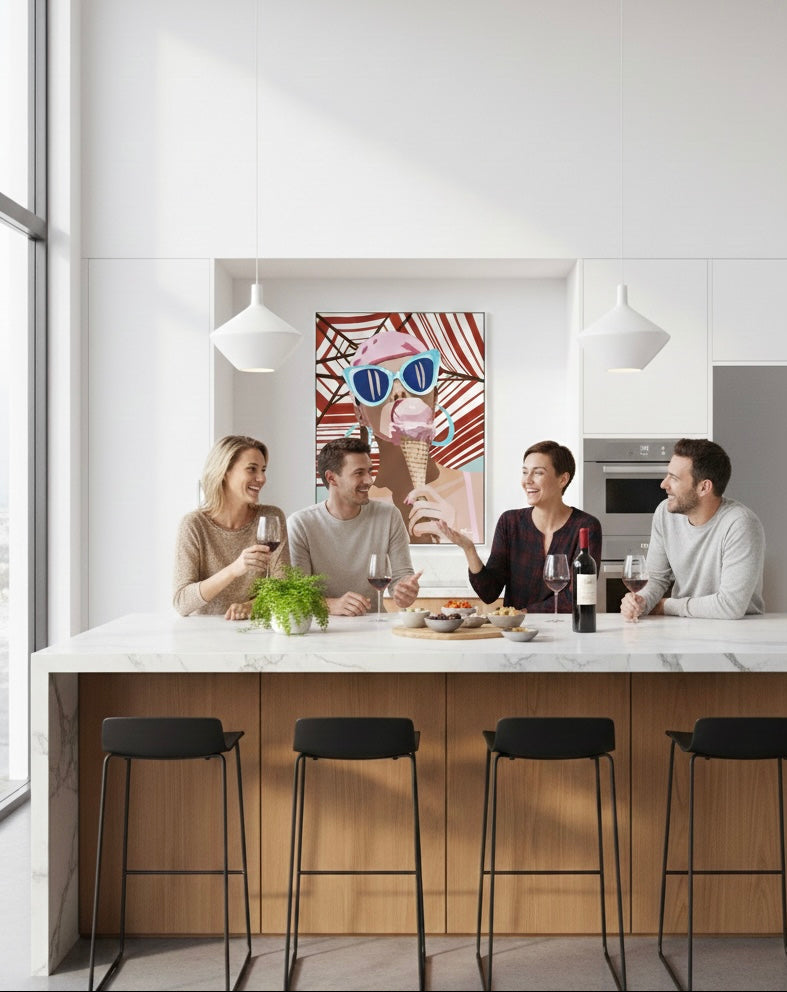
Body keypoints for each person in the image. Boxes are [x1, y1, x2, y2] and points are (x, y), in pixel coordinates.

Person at [342, 330, 484, 543]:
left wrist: (453, 540)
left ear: (434, 396)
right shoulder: (353, 507)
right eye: (373, 383)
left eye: (416, 375)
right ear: (359, 413)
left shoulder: (478, 490)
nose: (399, 393)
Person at [437, 440, 601, 612]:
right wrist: (469, 549)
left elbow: (577, 597)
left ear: (563, 479)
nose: (527, 481)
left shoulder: (586, 527)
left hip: (564, 631)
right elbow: (489, 592)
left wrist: (523, 614)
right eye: (524, 472)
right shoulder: (510, 522)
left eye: (538, 473)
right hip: (516, 633)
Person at [621, 438, 765, 620]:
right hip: (683, 624)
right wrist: (641, 601)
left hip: (737, 630)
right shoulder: (664, 514)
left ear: (704, 487)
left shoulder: (740, 524)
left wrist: (666, 605)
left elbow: (730, 606)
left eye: (674, 478)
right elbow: (656, 579)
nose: (663, 484)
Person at [287, 437, 422, 616]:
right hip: (318, 630)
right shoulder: (301, 524)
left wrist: (404, 592)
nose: (369, 480)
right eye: (359, 473)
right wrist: (331, 605)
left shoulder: (389, 516)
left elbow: (401, 578)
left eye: (369, 471)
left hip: (372, 628)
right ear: (331, 478)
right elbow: (296, 594)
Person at [173, 435, 290, 620]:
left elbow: (283, 587)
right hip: (203, 636)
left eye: (263, 470)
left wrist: (251, 607)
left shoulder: (271, 517)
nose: (261, 478)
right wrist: (234, 569)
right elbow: (182, 603)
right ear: (225, 472)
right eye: (252, 469)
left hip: (257, 632)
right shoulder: (194, 525)